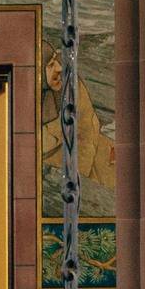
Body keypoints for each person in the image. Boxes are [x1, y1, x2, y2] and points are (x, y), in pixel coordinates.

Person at [40, 41, 116, 189]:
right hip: (59, 165)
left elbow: (87, 131)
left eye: (55, 60)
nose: (59, 67)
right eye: (50, 65)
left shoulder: (70, 84)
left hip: (87, 154)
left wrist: (80, 176)